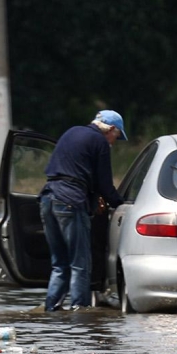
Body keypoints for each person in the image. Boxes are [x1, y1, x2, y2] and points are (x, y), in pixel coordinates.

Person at [38, 109, 127, 311]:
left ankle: (51, 310)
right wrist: (121, 203)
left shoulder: (72, 132)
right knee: (80, 265)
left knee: (59, 264)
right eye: (117, 136)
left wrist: (95, 198)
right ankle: (80, 315)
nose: (114, 142)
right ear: (110, 129)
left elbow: (75, 171)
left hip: (47, 198)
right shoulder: (100, 142)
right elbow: (104, 184)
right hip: (70, 202)